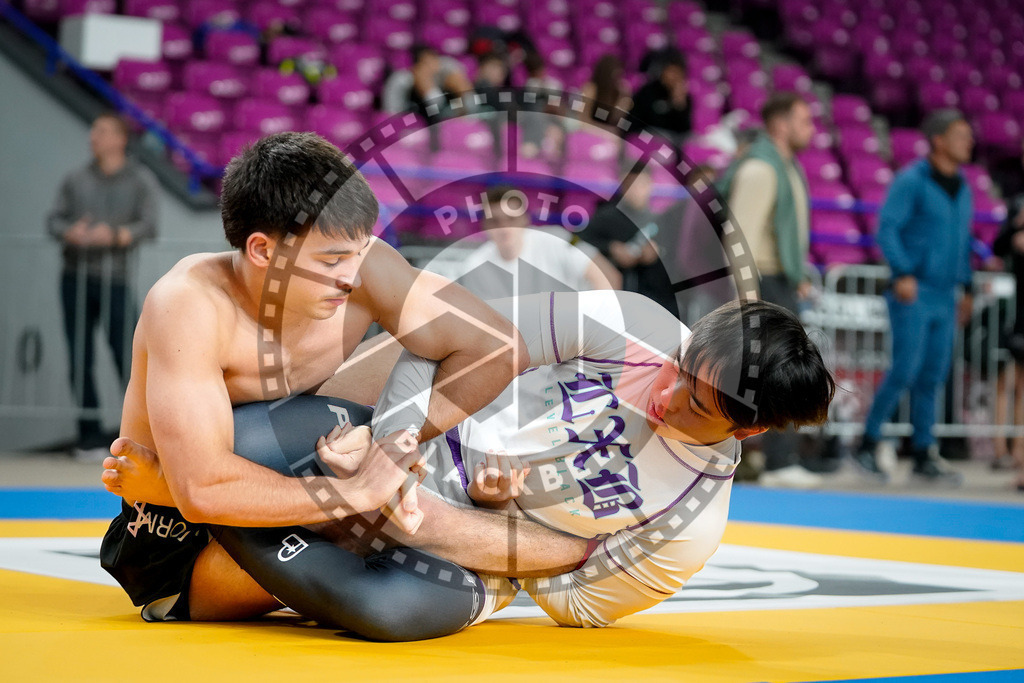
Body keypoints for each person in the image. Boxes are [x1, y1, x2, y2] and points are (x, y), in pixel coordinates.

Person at [96, 132, 586, 636]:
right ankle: (577, 555)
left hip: (277, 463)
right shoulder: (189, 304)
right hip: (178, 541)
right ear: (263, 250)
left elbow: (496, 347)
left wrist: (391, 443)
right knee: (251, 468)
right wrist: (355, 491)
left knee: (425, 343)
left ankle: (504, 530)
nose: (352, 277)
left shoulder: (363, 265)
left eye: (357, 252)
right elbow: (202, 488)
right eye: (331, 261)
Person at [106, 291, 836, 628]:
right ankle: (202, 512)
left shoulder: (690, 526)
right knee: (247, 438)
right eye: (680, 364)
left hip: (472, 561)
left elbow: (576, 596)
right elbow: (461, 336)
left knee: (386, 608)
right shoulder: (638, 325)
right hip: (421, 440)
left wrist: (472, 518)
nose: (665, 389)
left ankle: (174, 511)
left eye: (696, 404)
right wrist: (393, 444)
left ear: (747, 432)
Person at [853, 109, 975, 485]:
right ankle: (868, 442)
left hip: (946, 293)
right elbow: (887, 229)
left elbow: (962, 243)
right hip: (915, 290)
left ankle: (924, 452)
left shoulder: (964, 187)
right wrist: (903, 272)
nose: (968, 142)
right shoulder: (912, 180)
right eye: (960, 135)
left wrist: (966, 286)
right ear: (938, 140)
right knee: (905, 369)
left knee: (933, 376)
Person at [717, 92, 818, 489]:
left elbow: (780, 234)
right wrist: (749, 300)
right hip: (761, 285)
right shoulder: (760, 168)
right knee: (775, 374)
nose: (811, 129)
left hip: (777, 282)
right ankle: (777, 463)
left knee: (770, 374)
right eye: (804, 120)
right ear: (780, 124)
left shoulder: (784, 165)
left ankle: (773, 461)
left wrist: (798, 275)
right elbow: (739, 238)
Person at [47, 112, 159, 459]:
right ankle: (89, 437)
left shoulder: (140, 180)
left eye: (102, 130)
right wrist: (71, 232)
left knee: (127, 357)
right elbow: (54, 220)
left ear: (120, 139)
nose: (93, 136)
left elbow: (149, 225)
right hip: (75, 279)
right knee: (79, 357)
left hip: (116, 279)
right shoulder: (75, 179)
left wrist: (116, 234)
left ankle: (137, 436)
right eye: (93, 129)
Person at [455, 185, 621, 300]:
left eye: (511, 219)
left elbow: (608, 277)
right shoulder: (474, 266)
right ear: (484, 226)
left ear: (525, 219)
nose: (504, 228)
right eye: (495, 221)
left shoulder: (558, 240)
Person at [578, 167, 678, 317]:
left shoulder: (661, 221)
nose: (636, 190)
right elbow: (577, 241)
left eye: (642, 184)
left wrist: (657, 253)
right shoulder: (606, 217)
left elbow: (678, 255)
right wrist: (610, 248)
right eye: (631, 185)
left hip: (652, 299)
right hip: (613, 294)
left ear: (650, 185)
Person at [990, 156, 1024, 490]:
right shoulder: (1018, 202)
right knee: (1008, 380)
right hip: (1019, 307)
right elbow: (998, 245)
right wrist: (1015, 230)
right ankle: (1005, 449)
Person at [381, 45, 474, 119]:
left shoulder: (448, 70)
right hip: (412, 125)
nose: (431, 68)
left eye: (434, 61)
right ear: (415, 67)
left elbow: (470, 104)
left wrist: (461, 96)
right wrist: (427, 87)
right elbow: (391, 114)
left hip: (445, 120)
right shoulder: (402, 80)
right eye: (425, 64)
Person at [630, 48, 692, 144]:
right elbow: (647, 121)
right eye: (671, 72)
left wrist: (679, 106)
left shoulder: (684, 97)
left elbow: (684, 129)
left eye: (678, 73)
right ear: (662, 72)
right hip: (647, 136)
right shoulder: (648, 91)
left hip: (674, 139)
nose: (675, 77)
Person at [579, 53, 632, 131]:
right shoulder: (591, 88)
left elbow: (616, 121)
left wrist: (623, 97)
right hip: (588, 130)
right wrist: (604, 131)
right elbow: (583, 119)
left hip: (606, 132)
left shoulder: (619, 92)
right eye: (614, 74)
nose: (617, 78)